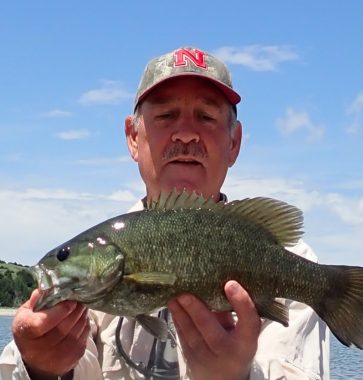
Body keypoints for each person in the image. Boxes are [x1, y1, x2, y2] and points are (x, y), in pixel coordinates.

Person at [0, 46, 329, 380]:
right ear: (133, 137)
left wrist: (238, 376)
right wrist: (41, 366)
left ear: (234, 143)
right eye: (166, 115)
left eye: (206, 117)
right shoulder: (94, 269)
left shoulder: (294, 263)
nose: (186, 134)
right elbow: (71, 363)